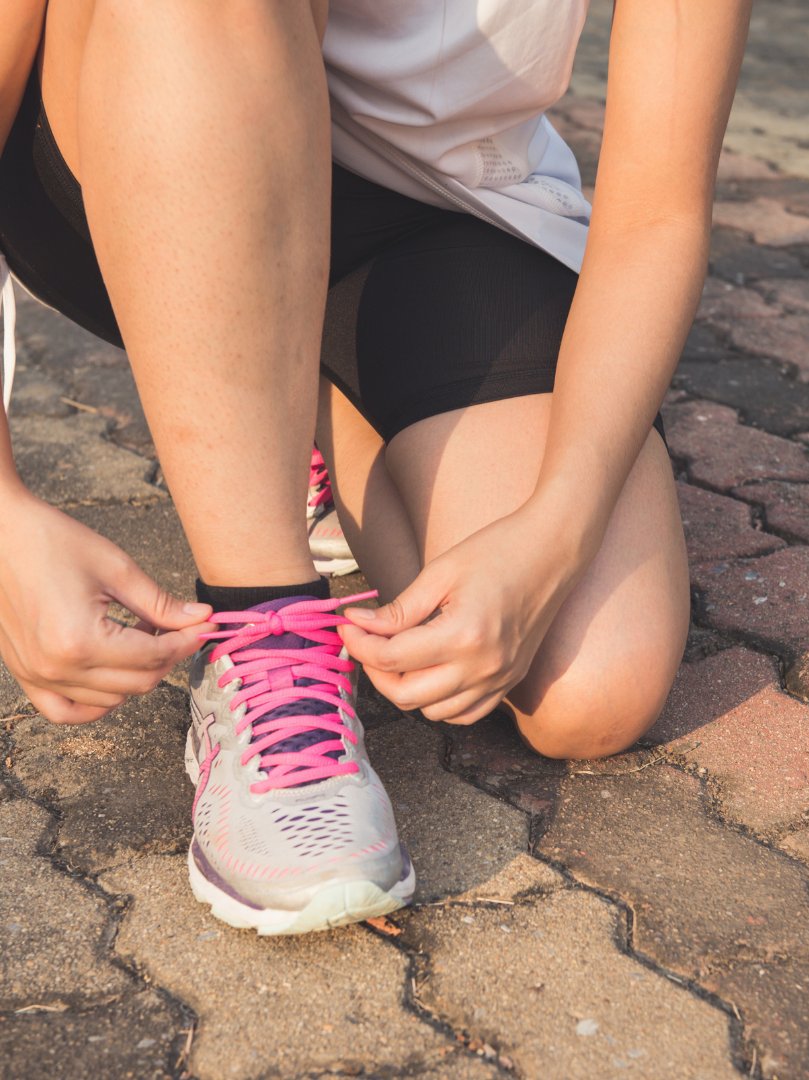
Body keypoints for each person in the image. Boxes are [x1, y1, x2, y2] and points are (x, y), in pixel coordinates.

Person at [0, 0, 752, 934]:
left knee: (591, 683)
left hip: (430, 205)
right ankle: (263, 626)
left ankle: (285, 402)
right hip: (142, 117)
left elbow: (660, 209)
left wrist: (556, 528)